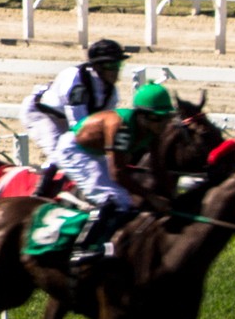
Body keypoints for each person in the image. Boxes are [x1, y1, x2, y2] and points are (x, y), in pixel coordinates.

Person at [52, 80, 178, 268]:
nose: (163, 123)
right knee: (110, 196)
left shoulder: (153, 130)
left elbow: (158, 167)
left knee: (125, 201)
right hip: (73, 150)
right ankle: (82, 248)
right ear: (142, 115)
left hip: (94, 153)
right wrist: (151, 197)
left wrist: (172, 198)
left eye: (166, 117)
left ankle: (111, 241)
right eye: (157, 118)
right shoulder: (122, 127)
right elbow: (117, 173)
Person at [20, 38, 126, 164]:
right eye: (111, 66)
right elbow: (78, 127)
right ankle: (43, 183)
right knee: (61, 156)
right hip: (41, 114)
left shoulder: (111, 92)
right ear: (97, 66)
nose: (116, 71)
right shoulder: (77, 83)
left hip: (67, 117)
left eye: (118, 65)